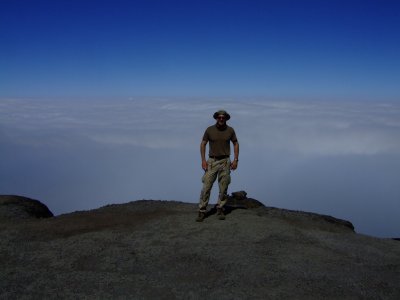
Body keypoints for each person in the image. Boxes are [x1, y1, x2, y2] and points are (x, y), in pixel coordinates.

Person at [196, 110, 239, 222]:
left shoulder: (230, 130)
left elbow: (235, 143)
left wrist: (235, 160)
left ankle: (220, 207)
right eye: (219, 117)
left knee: (223, 187)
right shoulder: (209, 130)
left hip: (225, 161)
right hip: (212, 161)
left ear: (226, 118)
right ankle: (202, 210)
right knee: (206, 187)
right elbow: (203, 143)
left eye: (223, 117)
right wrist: (203, 160)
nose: (221, 119)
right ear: (216, 118)